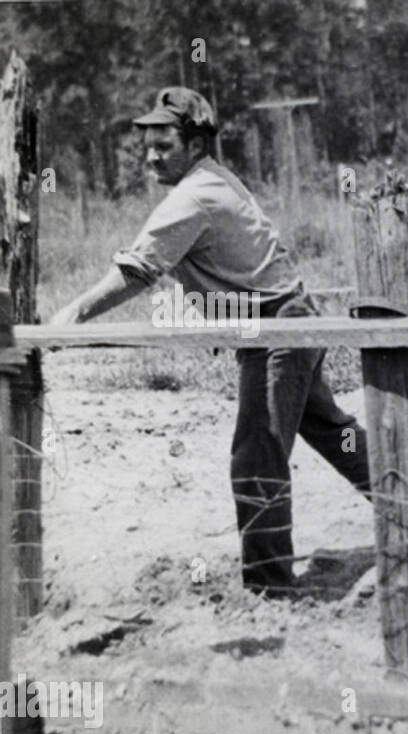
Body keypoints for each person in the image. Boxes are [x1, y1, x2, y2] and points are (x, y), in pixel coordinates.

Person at [50, 87, 371, 598]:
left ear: (196, 144)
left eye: (164, 144)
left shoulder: (194, 195)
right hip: (289, 320)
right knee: (332, 431)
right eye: (147, 144)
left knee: (256, 455)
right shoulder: (212, 180)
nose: (151, 155)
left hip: (275, 330)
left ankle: (271, 590)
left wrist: (73, 315)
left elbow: (138, 271)